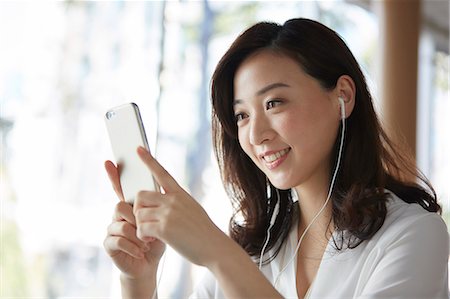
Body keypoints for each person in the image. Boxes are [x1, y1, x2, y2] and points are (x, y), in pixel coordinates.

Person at [103, 18, 449, 299]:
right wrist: (138, 282)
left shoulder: (413, 234)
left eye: (274, 103)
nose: (255, 135)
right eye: (242, 116)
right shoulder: (255, 249)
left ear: (342, 95)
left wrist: (218, 252)